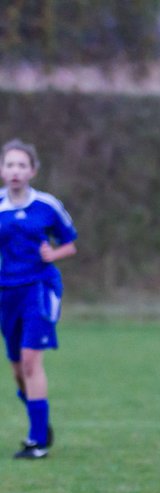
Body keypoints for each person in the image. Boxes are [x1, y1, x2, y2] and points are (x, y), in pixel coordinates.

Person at [0, 139, 76, 460]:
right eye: (9, 164)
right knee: (18, 369)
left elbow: (69, 243)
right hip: (7, 292)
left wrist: (53, 252)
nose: (15, 171)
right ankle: (40, 420)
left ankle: (37, 442)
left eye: (21, 165)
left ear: (32, 170)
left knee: (32, 362)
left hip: (40, 288)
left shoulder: (47, 205)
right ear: (2, 170)